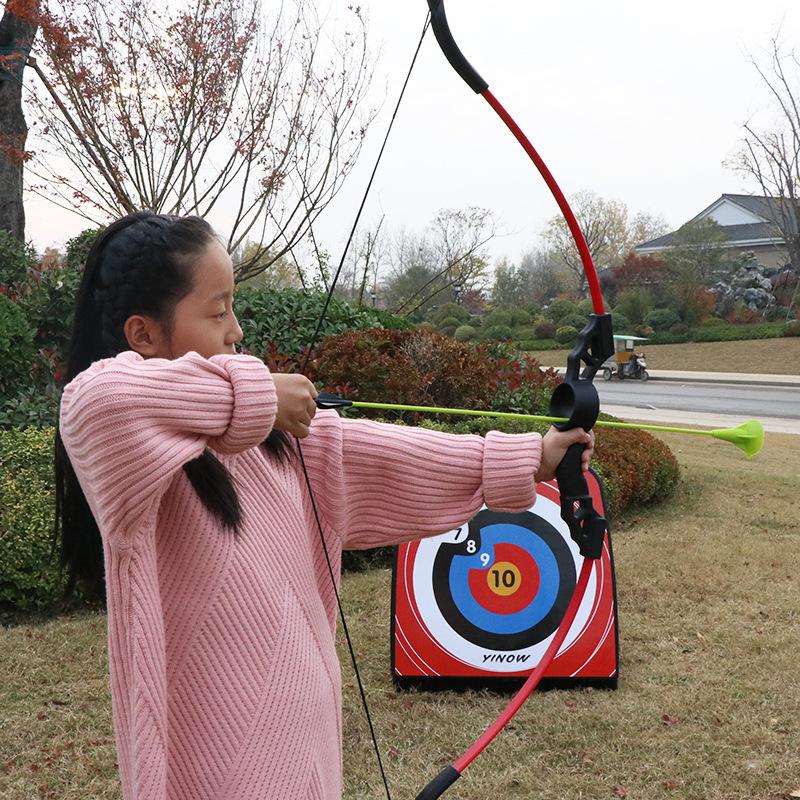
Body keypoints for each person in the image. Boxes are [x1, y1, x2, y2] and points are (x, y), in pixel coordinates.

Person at [54, 211, 594, 800]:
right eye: (217, 311)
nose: (236, 331)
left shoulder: (278, 445)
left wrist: (531, 459)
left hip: (305, 750)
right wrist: (254, 393)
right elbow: (97, 399)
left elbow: (388, 455)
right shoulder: (127, 449)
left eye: (235, 307)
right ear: (144, 336)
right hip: (210, 770)